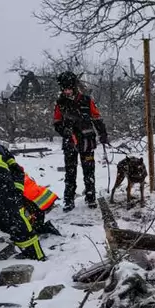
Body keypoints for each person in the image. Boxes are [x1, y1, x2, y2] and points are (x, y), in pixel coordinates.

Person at [53, 71, 109, 211]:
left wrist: (102, 134)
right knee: (70, 172)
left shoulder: (86, 100)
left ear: (74, 87)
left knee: (89, 171)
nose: (66, 91)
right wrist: (63, 130)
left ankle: (91, 197)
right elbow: (57, 121)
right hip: (70, 142)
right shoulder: (60, 103)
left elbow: (96, 117)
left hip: (86, 140)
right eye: (64, 89)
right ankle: (68, 199)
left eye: (69, 88)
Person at [0, 169, 61, 236]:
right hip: (42, 200)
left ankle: (34, 227)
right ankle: (36, 226)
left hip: (35, 204)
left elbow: (15, 208)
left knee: (9, 217)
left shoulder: (4, 182)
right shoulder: (16, 173)